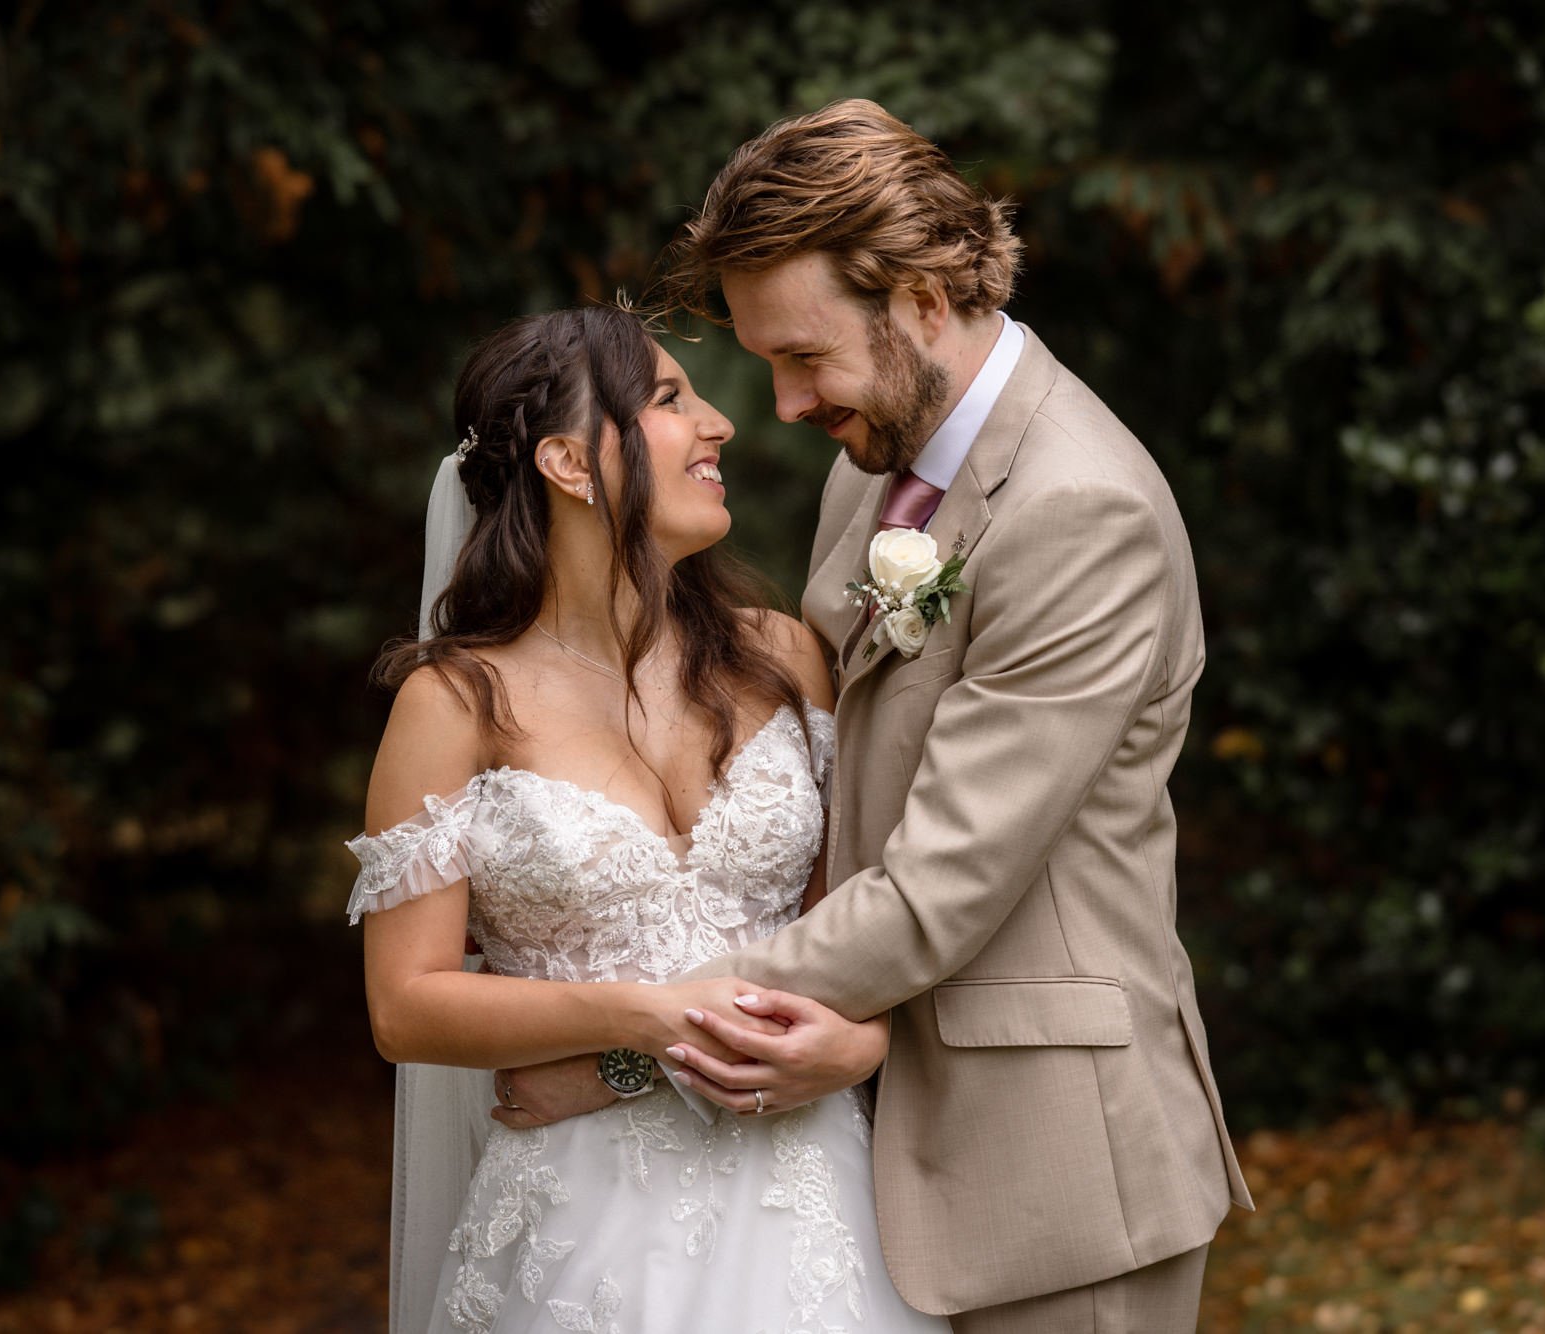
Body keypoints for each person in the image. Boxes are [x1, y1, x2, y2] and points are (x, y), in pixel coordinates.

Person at [502, 101, 1255, 1332]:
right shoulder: (880, 468)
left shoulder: (1078, 510)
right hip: (858, 1138)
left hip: (1051, 1172)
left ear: (917, 298)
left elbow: (931, 890)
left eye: (803, 357)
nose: (785, 405)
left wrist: (622, 1054)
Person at [346, 303, 950, 1334]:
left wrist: (858, 1045)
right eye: (670, 400)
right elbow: (406, 1006)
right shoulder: (452, 704)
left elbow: (848, 932)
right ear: (570, 464)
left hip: (810, 1198)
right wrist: (645, 1022)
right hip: (579, 1228)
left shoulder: (782, 653)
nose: (720, 423)